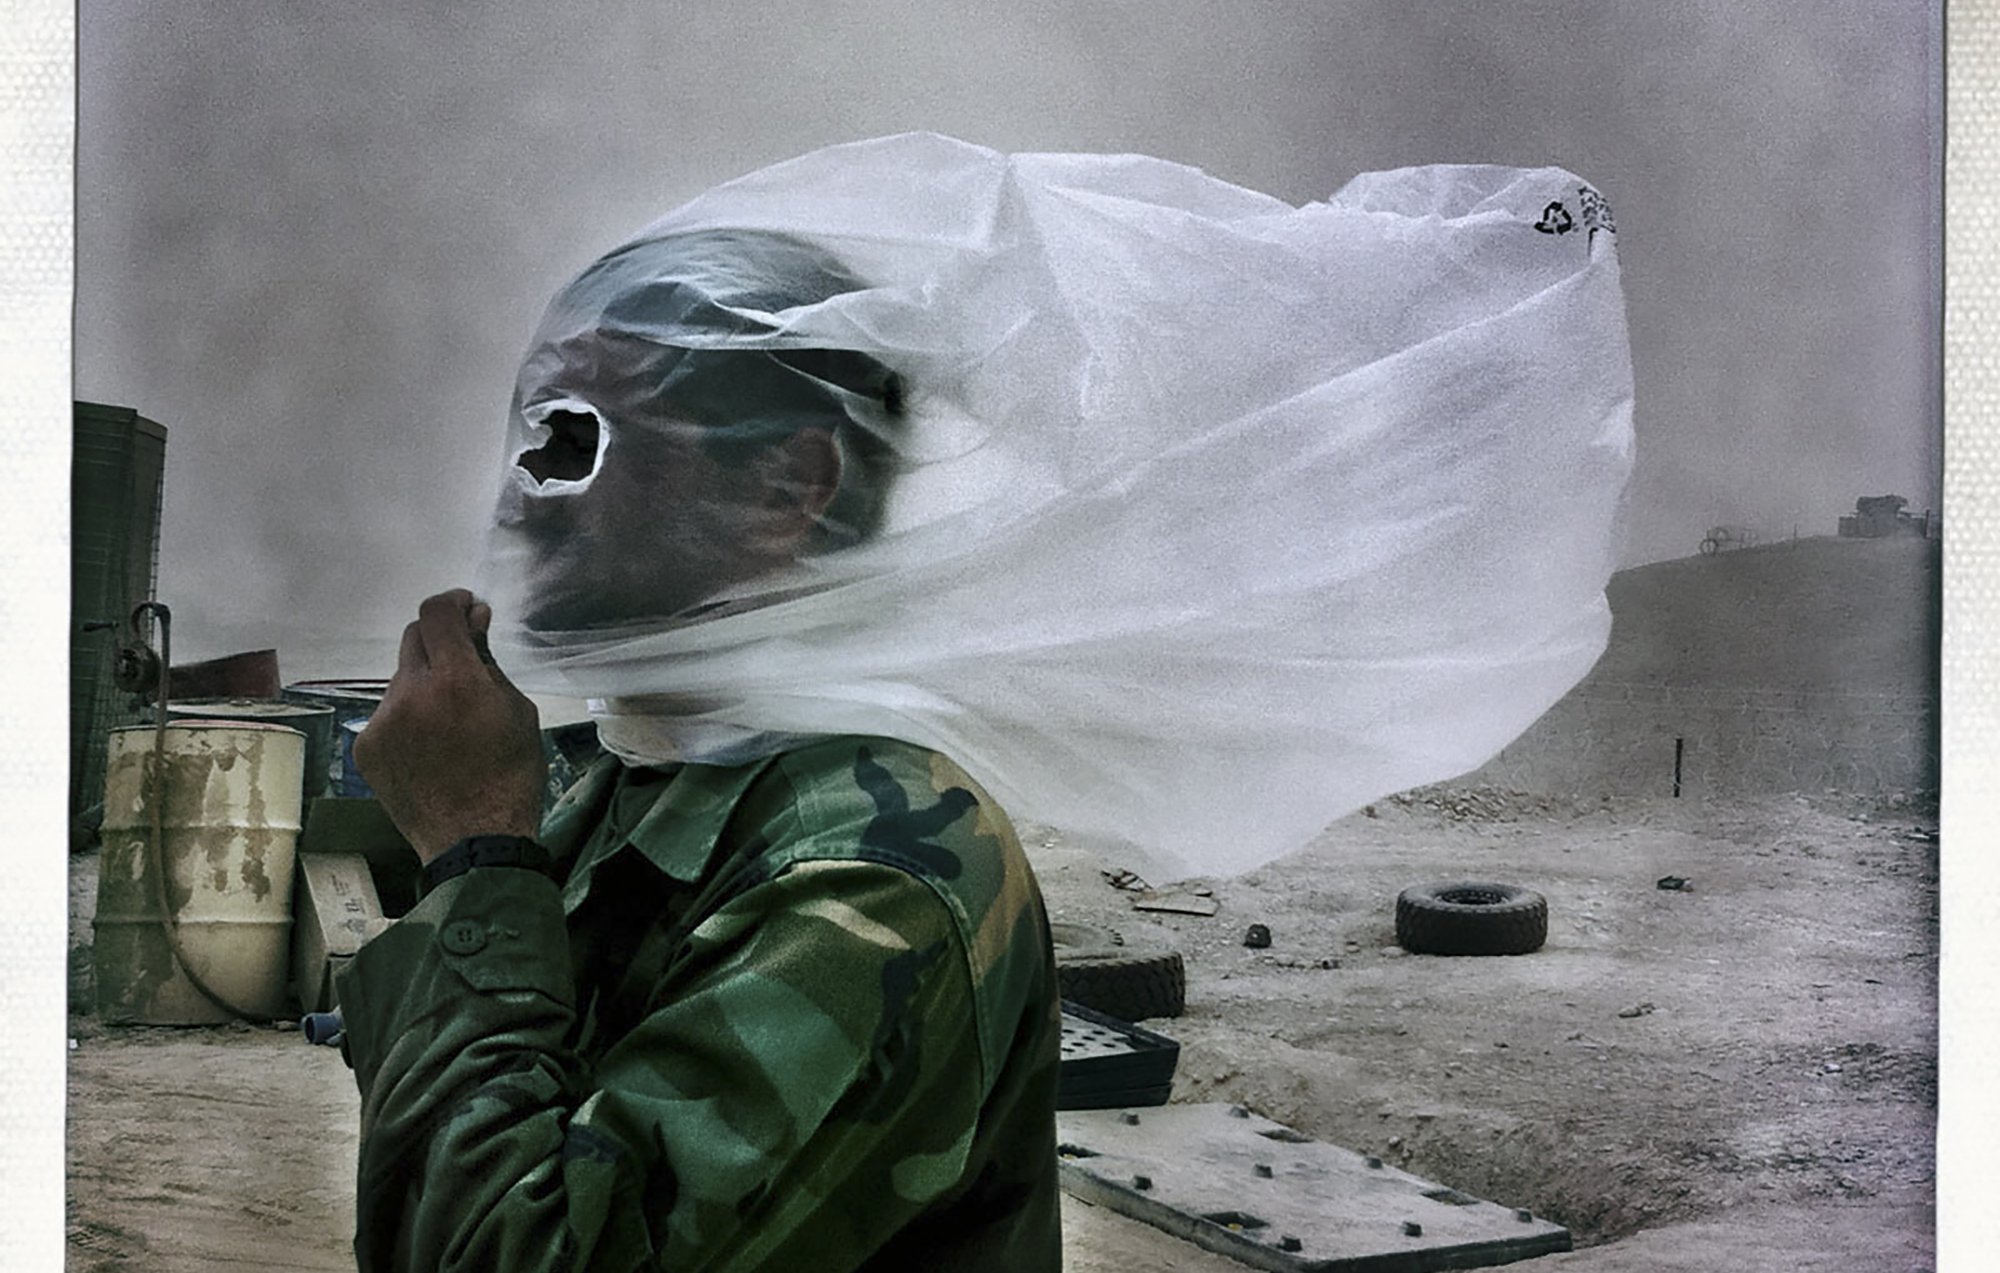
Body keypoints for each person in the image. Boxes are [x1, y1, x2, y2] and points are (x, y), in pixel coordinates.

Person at [333, 228, 1064, 1272]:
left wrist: (474, 853)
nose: (517, 501)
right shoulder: (633, 782)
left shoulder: (871, 874)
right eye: (525, 447)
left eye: (572, 440)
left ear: (786, 487)